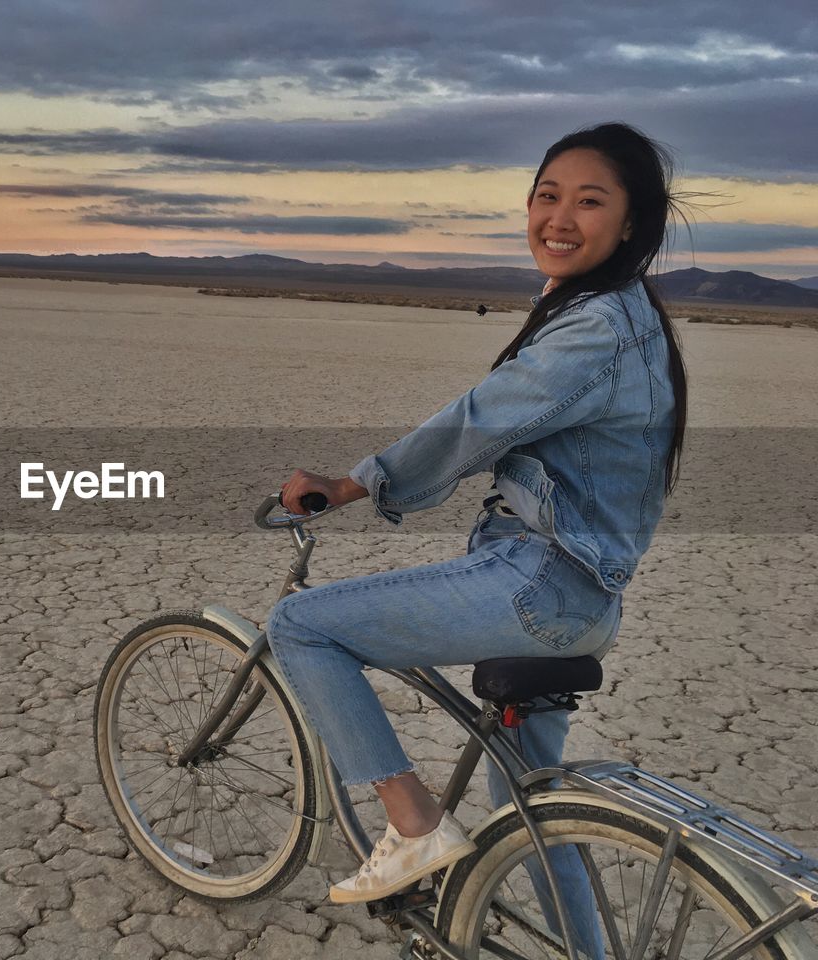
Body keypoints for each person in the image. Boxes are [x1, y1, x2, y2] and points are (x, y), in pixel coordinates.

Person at [266, 122, 688, 950]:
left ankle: (413, 827)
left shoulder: (596, 329)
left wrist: (354, 482)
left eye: (590, 201)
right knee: (530, 806)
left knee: (301, 626)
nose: (560, 216)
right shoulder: (611, 311)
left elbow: (479, 422)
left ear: (632, 224)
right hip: (581, 600)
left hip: (535, 587)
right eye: (547, 195)